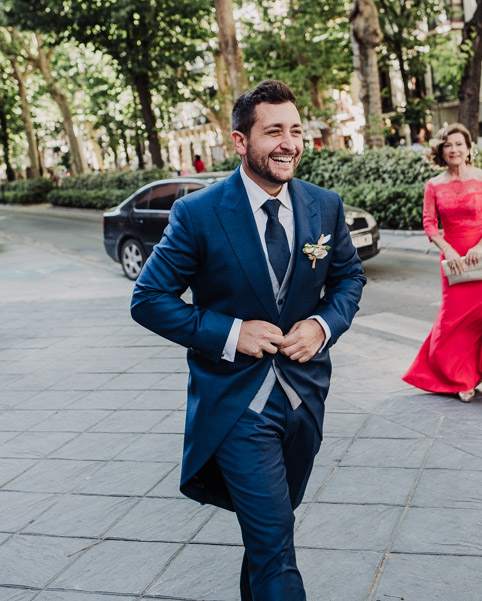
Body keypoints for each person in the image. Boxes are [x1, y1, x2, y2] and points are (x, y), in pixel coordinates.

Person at [131, 80, 366, 600]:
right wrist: (231, 332)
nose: (289, 143)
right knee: (277, 545)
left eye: (296, 130)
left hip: (304, 399)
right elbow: (147, 299)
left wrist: (323, 325)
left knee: (268, 534)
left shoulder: (323, 207)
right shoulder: (199, 214)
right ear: (240, 142)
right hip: (236, 404)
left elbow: (349, 278)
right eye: (274, 131)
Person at [402, 123, 482, 402]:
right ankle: (462, 377)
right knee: (455, 321)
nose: (454, 149)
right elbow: (429, 223)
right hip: (453, 258)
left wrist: (481, 246)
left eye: (459, 144)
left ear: (469, 148)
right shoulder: (434, 185)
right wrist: (447, 249)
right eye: (448, 145)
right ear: (441, 150)